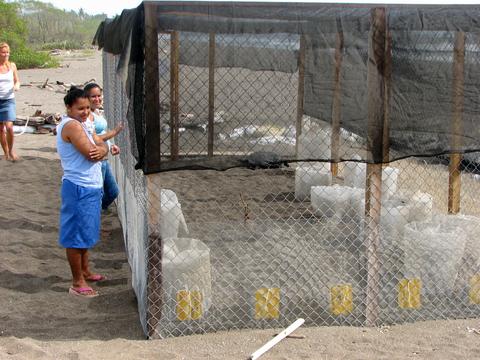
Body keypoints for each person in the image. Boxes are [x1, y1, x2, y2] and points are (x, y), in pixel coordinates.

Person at [57, 87, 109, 298]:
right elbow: (91, 154)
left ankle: (85, 271)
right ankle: (77, 282)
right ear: (69, 107)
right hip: (78, 186)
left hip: (90, 185)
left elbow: (99, 145)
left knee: (86, 232)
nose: (85, 112)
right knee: (75, 236)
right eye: (80, 108)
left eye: (88, 108)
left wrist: (103, 148)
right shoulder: (71, 126)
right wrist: (103, 150)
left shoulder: (83, 123)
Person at [83, 83, 124, 211]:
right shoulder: (88, 115)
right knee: (98, 194)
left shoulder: (96, 112)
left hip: (104, 159)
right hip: (97, 161)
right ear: (87, 98)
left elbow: (100, 134)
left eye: (99, 96)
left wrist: (111, 145)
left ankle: (97, 214)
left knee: (113, 192)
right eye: (93, 96)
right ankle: (94, 220)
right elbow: (94, 138)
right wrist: (115, 132)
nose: (97, 99)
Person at [0, 42, 20, 161]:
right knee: (0, 129)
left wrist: (16, 85)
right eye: (3, 52)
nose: (6, 54)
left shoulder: (12, 66)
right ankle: (6, 152)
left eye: (7, 52)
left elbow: (17, 80)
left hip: (9, 100)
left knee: (9, 127)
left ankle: (11, 150)